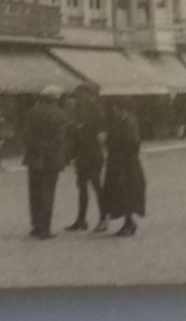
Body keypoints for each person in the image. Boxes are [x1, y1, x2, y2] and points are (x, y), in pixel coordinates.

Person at [21, 85, 70, 240]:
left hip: (34, 156)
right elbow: (60, 139)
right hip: (51, 158)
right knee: (48, 191)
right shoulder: (61, 115)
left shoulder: (32, 113)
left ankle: (36, 225)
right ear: (56, 99)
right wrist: (49, 148)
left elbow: (26, 135)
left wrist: (38, 146)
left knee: (34, 191)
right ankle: (45, 228)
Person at [99, 102, 146, 237]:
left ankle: (129, 223)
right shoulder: (126, 121)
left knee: (124, 192)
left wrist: (108, 140)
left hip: (124, 164)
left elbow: (131, 142)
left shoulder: (127, 123)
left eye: (116, 108)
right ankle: (128, 222)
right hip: (122, 163)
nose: (114, 111)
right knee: (123, 193)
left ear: (121, 108)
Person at [65, 84, 107, 232]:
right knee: (82, 187)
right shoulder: (81, 109)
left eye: (80, 94)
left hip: (92, 154)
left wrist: (78, 129)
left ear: (89, 94)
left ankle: (103, 219)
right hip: (83, 154)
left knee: (96, 187)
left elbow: (96, 133)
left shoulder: (96, 110)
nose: (78, 97)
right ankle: (81, 219)